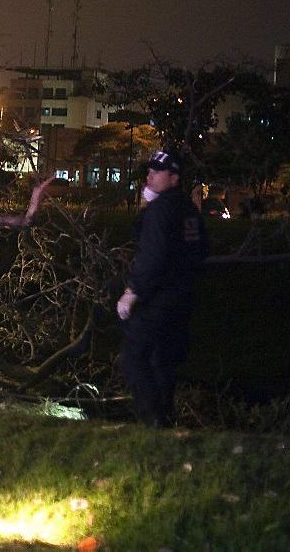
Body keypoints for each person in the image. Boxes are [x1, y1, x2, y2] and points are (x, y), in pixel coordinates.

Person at [116, 150, 208, 428]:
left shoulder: (160, 211)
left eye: (157, 172)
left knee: (133, 358)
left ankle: (152, 419)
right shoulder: (189, 210)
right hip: (183, 298)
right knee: (163, 361)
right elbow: (200, 250)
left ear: (174, 178)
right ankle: (165, 419)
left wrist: (131, 292)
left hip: (157, 298)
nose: (150, 175)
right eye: (150, 170)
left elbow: (151, 256)